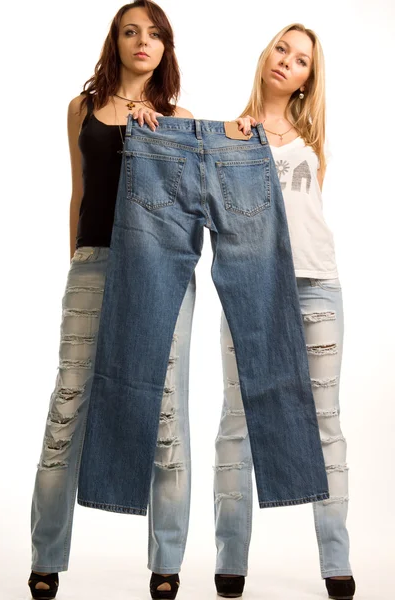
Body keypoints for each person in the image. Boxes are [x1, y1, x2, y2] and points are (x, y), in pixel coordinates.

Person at [28, 2, 196, 599]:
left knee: (166, 416)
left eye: (153, 34)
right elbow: (78, 194)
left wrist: (164, 140)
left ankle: (166, 564)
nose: (141, 42)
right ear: (116, 42)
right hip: (93, 266)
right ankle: (46, 557)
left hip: (159, 274)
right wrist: (77, 260)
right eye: (131, 31)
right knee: (67, 406)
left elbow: (184, 214)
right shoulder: (80, 109)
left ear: (165, 46)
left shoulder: (180, 119)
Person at [213, 23, 356, 600]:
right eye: (282, 49)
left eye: (301, 61)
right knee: (238, 422)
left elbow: (307, 221)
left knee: (325, 422)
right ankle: (230, 561)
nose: (287, 63)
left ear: (306, 80)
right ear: (267, 53)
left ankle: (338, 564)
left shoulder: (313, 141)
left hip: (317, 285)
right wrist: (236, 145)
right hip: (250, 286)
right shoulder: (226, 133)